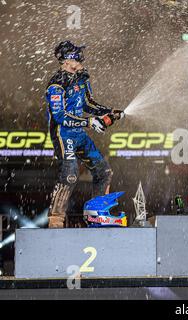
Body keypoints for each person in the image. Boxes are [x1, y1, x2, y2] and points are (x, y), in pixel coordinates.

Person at [46, 40, 124, 228]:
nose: (81, 58)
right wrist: (89, 122)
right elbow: (59, 116)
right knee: (70, 174)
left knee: (104, 171)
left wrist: (108, 111)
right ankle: (55, 220)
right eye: (76, 55)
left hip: (79, 133)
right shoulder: (56, 85)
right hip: (63, 135)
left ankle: (97, 213)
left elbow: (88, 103)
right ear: (66, 60)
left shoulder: (82, 78)